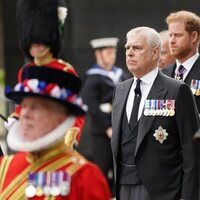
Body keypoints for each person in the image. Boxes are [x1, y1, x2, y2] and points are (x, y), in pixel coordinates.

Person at [111, 26, 199, 200]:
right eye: (127, 48)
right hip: (123, 186)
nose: (129, 53)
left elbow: (192, 152)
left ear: (155, 52)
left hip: (162, 191)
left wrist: (188, 196)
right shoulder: (120, 90)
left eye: (136, 48)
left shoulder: (176, 90)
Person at [0, 65, 111, 199]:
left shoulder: (85, 177)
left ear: (61, 118)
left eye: (35, 107)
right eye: (23, 106)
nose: (25, 114)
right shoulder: (5, 166)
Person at [5, 0, 84, 144]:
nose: (35, 46)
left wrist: (69, 139)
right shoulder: (25, 71)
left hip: (56, 139)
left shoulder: (65, 71)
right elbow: (23, 105)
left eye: (40, 41)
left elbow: (76, 112)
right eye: (31, 41)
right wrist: (16, 118)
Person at [81, 37, 130, 197]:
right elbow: (92, 106)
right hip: (102, 132)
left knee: (121, 169)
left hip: (122, 129)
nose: (112, 56)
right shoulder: (93, 77)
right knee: (102, 168)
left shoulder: (121, 75)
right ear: (98, 54)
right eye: (108, 53)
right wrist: (107, 127)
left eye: (114, 52)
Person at [162, 10, 200, 112]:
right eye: (170, 35)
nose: (172, 41)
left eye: (177, 35)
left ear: (194, 36)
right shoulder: (162, 74)